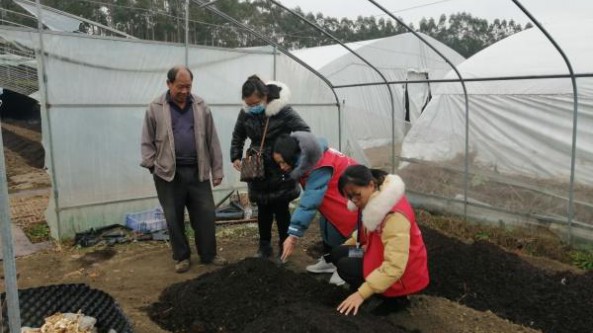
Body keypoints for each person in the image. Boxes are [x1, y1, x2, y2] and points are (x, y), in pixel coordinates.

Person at [141, 65, 226, 273]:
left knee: (205, 214)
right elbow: (147, 141)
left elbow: (212, 139)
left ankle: (208, 255)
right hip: (168, 174)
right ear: (169, 84)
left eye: (188, 86)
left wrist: (217, 170)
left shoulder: (200, 106)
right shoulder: (155, 107)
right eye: (180, 86)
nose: (185, 91)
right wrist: (152, 165)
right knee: (173, 217)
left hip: (198, 172)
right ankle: (181, 257)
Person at [231, 75, 310, 259]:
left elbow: (304, 132)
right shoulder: (245, 113)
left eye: (256, 103)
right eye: (248, 104)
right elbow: (238, 135)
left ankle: (284, 246)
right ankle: (264, 246)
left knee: (281, 208)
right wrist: (235, 156)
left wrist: (289, 155)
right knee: (263, 207)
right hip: (257, 166)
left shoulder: (283, 111)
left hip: (279, 165)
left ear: (265, 96)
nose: (252, 107)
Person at [333, 165, 429, 316]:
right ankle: (371, 287)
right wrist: (351, 244)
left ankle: (393, 299)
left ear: (371, 184)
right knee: (339, 253)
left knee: (346, 266)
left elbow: (395, 266)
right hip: (375, 254)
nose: (354, 201)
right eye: (349, 197)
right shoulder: (376, 200)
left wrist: (361, 294)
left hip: (401, 272)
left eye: (356, 195)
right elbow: (365, 230)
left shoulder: (394, 216)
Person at [273, 131, 359, 285]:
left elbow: (309, 202)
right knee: (325, 223)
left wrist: (293, 236)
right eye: (279, 163)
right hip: (336, 195)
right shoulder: (306, 156)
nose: (282, 167)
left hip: (351, 198)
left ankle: (346, 268)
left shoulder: (319, 165)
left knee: (342, 231)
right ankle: (330, 260)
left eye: (283, 162)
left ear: (293, 156)